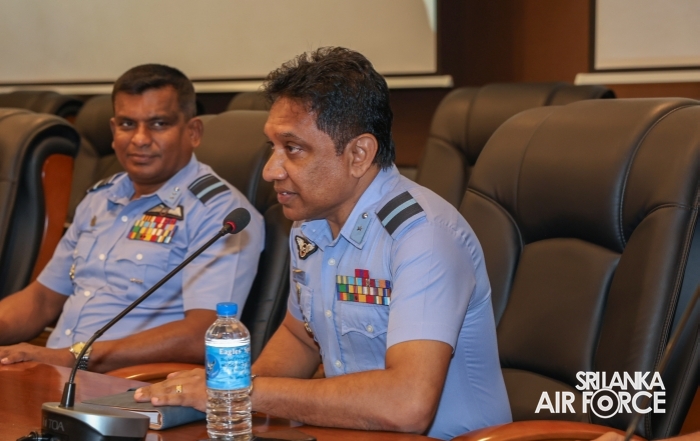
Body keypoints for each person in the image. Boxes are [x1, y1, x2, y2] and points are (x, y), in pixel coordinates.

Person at [134, 47, 511, 439]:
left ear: (359, 154)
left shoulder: (422, 237)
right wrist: (220, 399)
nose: (271, 170)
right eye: (272, 147)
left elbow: (406, 405)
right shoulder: (310, 225)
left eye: (293, 149)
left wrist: (240, 391)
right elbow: (300, 338)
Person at [0, 64, 264, 373]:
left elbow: (203, 333)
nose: (140, 139)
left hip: (128, 385)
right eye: (127, 124)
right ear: (114, 131)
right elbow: (43, 299)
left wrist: (73, 357)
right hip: (54, 372)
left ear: (193, 132)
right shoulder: (100, 198)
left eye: (158, 124)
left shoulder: (220, 214)